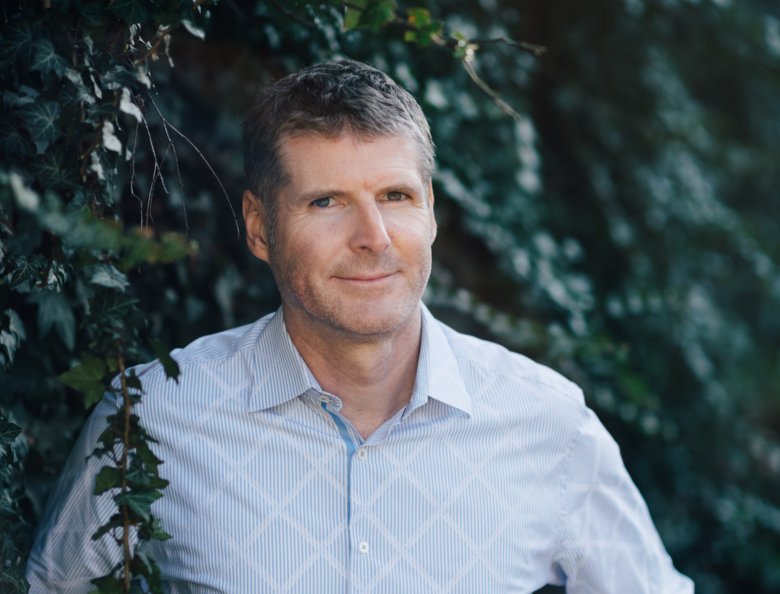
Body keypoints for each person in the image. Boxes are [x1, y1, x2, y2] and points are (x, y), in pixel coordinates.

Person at [26, 59, 694, 593]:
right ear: (260, 227)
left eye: (396, 197)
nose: (373, 238)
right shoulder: (156, 418)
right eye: (327, 202)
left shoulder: (549, 427)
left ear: (430, 211)